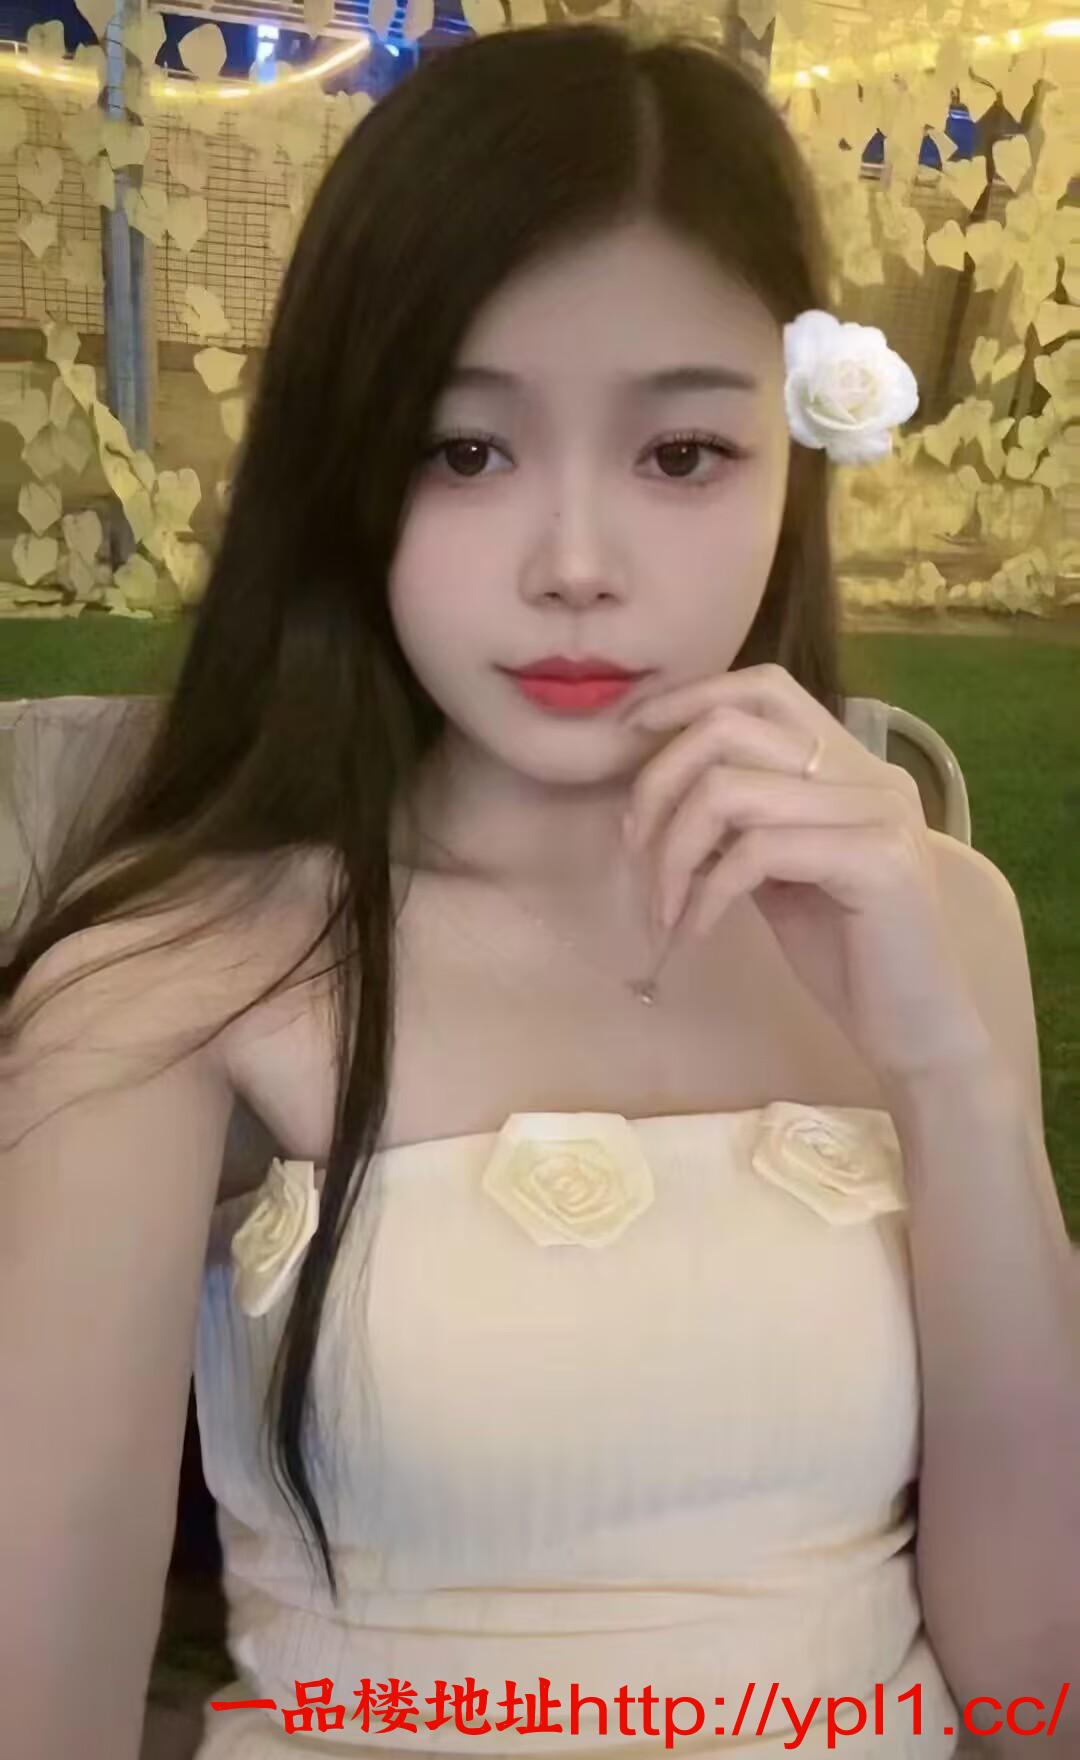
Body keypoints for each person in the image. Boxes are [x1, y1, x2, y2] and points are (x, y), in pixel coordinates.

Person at [2, 23, 1077, 1760]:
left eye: (682, 456)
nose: (576, 565)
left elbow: (1041, 1683)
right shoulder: (175, 971)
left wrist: (950, 1072)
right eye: (465, 451)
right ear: (346, 477)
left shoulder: (936, 921)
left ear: (793, 463)